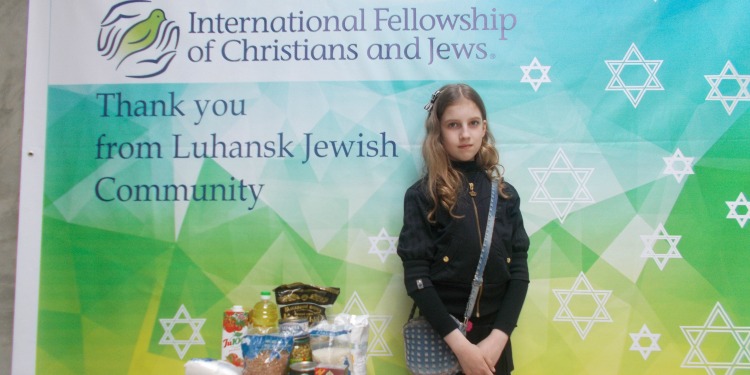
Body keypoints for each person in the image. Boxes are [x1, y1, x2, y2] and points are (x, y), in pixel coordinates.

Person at [397, 83, 530, 375]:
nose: (465, 134)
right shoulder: (422, 196)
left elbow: (519, 272)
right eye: (453, 125)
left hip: (495, 346)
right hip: (443, 341)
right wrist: (461, 347)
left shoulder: (507, 196)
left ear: (485, 128)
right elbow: (416, 278)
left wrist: (498, 338)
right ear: (439, 133)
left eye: (473, 123)